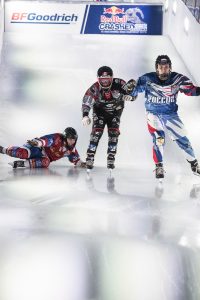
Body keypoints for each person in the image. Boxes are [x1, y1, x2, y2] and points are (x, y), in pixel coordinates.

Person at [125, 55, 200, 179]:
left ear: (170, 68)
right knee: (159, 138)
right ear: (156, 68)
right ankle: (159, 165)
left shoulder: (178, 79)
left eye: (166, 67)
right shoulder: (147, 78)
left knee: (183, 140)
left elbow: (191, 91)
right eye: (161, 67)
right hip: (153, 114)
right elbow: (134, 93)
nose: (163, 70)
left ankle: (194, 164)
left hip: (171, 115)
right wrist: (129, 89)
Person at [82, 66, 135, 170]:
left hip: (115, 112)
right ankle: (90, 157)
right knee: (96, 133)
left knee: (113, 133)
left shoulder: (120, 83)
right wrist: (85, 115)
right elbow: (86, 101)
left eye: (107, 79)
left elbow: (133, 92)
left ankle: (111, 158)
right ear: (98, 79)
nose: (105, 82)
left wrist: (131, 97)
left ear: (112, 78)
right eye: (102, 80)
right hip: (99, 112)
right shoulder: (95, 88)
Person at [0, 127, 86, 169]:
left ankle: (21, 164)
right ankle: (2, 149)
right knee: (23, 153)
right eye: (70, 139)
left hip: (43, 157)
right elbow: (47, 140)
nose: (72, 141)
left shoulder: (71, 150)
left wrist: (84, 164)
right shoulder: (57, 138)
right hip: (38, 148)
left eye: (74, 139)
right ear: (65, 137)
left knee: (46, 162)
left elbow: (77, 160)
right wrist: (38, 143)